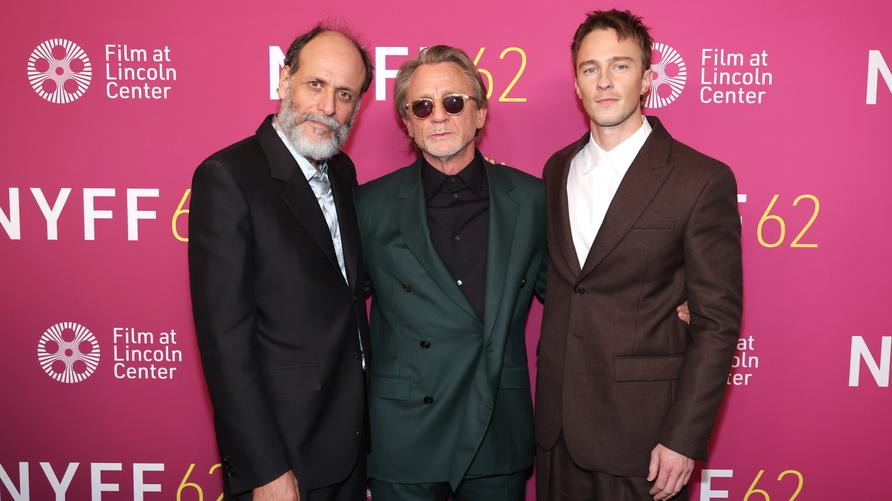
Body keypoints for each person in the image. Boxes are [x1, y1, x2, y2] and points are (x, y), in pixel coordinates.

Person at [535, 9, 743, 501]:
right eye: (590, 69)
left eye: (621, 66)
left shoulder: (701, 179)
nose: (604, 82)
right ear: (577, 84)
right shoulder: (555, 169)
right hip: (556, 433)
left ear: (648, 78)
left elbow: (717, 321)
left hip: (645, 440)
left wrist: (683, 438)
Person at [188, 26, 373, 501]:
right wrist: (264, 469)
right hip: (284, 456)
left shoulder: (344, 172)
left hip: (350, 447)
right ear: (283, 80)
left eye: (345, 94)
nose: (328, 108)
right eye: (316, 85)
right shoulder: (228, 177)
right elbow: (226, 344)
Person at [356, 45, 547, 501]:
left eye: (453, 102)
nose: (438, 116)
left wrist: (664, 301)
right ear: (407, 122)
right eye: (422, 106)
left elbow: (575, 293)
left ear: (480, 113)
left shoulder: (532, 199)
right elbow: (329, 303)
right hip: (403, 434)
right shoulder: (370, 204)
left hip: (495, 427)